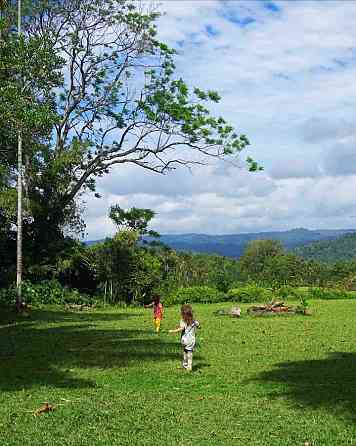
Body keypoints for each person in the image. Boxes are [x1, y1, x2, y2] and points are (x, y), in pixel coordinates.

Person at [169, 304, 200, 371]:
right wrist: (198, 327)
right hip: (192, 340)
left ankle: (186, 365)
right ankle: (189, 365)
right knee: (190, 352)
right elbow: (198, 325)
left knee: (185, 351)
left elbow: (181, 328)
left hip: (184, 340)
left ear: (182, 313)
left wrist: (173, 331)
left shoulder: (183, 320)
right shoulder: (193, 320)